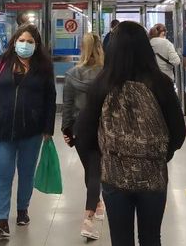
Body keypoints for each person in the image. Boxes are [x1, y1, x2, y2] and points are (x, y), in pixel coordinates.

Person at [76, 21, 186, 246]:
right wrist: (159, 156)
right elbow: (179, 131)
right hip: (153, 176)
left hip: (115, 177)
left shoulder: (102, 84)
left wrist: (105, 156)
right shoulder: (161, 83)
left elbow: (84, 133)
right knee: (151, 237)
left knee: (120, 239)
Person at [0, 24, 57, 239]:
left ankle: (22, 209)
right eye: (22, 40)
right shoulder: (1, 63)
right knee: (3, 172)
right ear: (15, 41)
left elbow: (50, 99)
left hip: (31, 130)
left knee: (26, 173)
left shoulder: (44, 67)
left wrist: (48, 128)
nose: (25, 45)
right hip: (2, 129)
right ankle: (1, 220)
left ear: (37, 45)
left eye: (30, 42)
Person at [62, 32, 106, 240]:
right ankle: (92, 212)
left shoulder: (71, 74)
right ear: (100, 48)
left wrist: (66, 130)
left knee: (91, 169)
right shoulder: (108, 74)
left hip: (80, 128)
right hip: (103, 127)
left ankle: (92, 209)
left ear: (83, 49)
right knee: (94, 171)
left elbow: (68, 105)